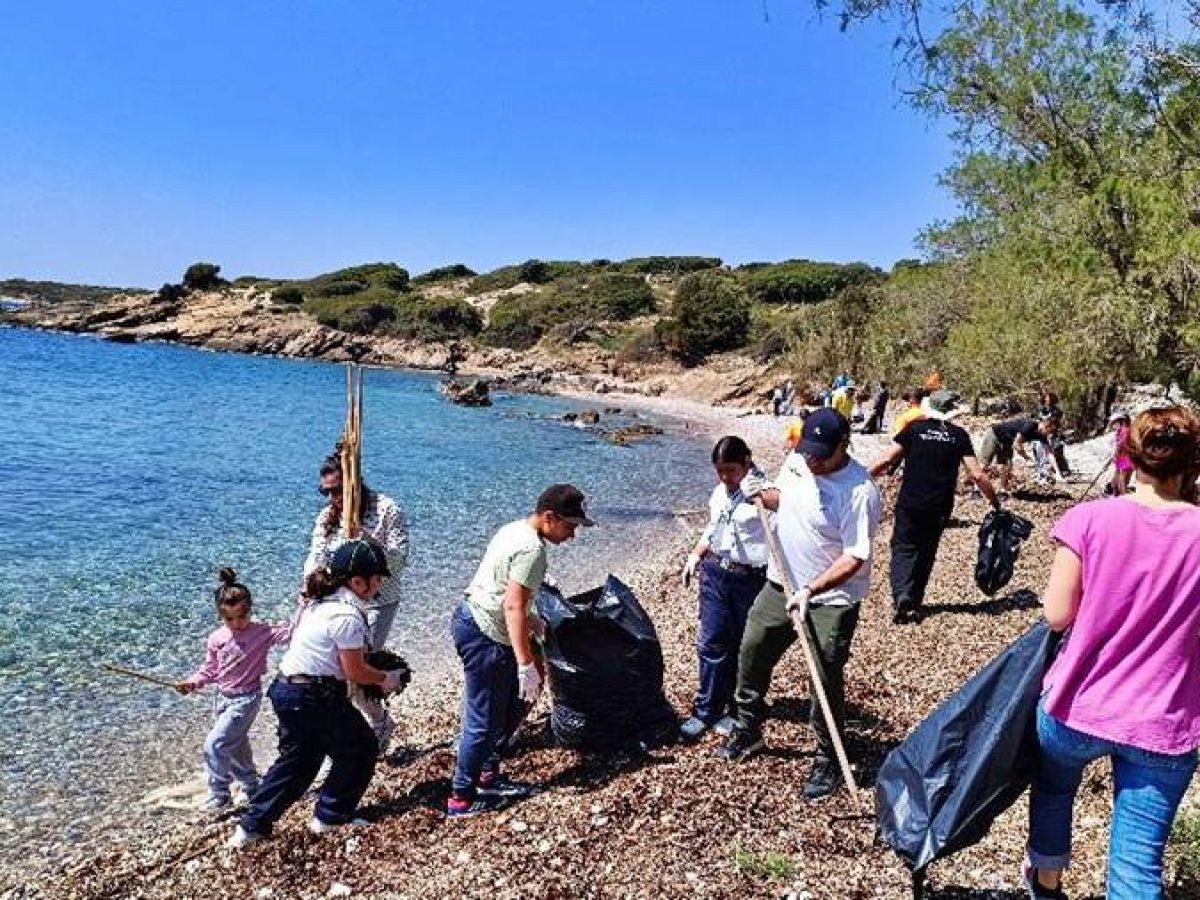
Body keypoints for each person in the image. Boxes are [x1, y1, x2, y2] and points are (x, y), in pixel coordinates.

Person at [1023, 406, 1200, 899]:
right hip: (1164, 720)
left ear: (1129, 457)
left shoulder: (1090, 518)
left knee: (1056, 790)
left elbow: (1057, 614)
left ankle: (1047, 879)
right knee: (1139, 862)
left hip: (1078, 705)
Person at [719, 409, 882, 801]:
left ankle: (828, 756)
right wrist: (761, 494)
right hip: (780, 583)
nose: (812, 460)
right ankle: (748, 727)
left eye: (821, 455)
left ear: (844, 445)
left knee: (823, 677)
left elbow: (854, 557)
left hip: (831, 599)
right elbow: (785, 501)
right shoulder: (797, 460)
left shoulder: (860, 491)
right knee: (752, 651)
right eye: (808, 451)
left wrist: (811, 589)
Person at [227, 540, 407, 849]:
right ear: (357, 581)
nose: (380, 584)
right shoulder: (347, 617)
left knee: (299, 762)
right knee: (361, 748)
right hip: (315, 694)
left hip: (285, 690)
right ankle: (331, 817)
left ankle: (251, 827)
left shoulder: (320, 605)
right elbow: (355, 672)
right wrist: (386, 678)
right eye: (376, 578)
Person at [448, 484, 593, 818]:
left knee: (501, 709)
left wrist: (536, 622)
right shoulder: (532, 551)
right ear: (548, 517)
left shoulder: (514, 529)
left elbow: (511, 595)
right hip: (485, 632)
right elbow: (512, 606)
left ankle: (487, 776)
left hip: (471, 618)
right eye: (569, 526)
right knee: (483, 720)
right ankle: (461, 798)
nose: (572, 536)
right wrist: (525, 663)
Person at [304, 449, 409, 753]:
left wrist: (364, 543)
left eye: (337, 490)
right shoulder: (327, 517)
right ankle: (348, 733)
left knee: (355, 673)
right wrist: (309, 586)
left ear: (353, 483)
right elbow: (316, 556)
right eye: (325, 491)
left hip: (378, 602)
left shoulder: (388, 509)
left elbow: (400, 560)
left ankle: (378, 725)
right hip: (338, 604)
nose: (332, 497)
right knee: (330, 669)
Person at [178, 568, 304, 814]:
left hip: (246, 699)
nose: (237, 623)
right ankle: (251, 786)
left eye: (242, 616)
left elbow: (291, 633)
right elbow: (210, 670)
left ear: (250, 609)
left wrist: (303, 605)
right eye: (230, 619)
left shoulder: (262, 632)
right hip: (222, 698)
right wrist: (192, 682)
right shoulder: (217, 638)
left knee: (214, 745)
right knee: (236, 745)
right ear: (220, 616)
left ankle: (219, 794)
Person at [868, 391, 1000, 624]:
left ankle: (902, 596)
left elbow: (888, 459)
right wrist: (994, 500)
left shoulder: (914, 429)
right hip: (939, 505)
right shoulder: (959, 435)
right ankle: (915, 600)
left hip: (911, 501)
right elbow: (977, 474)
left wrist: (860, 477)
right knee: (926, 551)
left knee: (903, 547)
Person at [679, 437, 769, 741]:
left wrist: (762, 497)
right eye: (719, 471)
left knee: (745, 647)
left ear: (747, 461)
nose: (725, 477)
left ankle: (737, 708)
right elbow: (714, 526)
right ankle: (707, 710)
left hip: (750, 579)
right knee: (712, 642)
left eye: (730, 470)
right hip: (716, 572)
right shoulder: (720, 491)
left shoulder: (764, 494)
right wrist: (696, 554)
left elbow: (788, 521)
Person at [977, 415, 1059, 493]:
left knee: (1005, 466)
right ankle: (976, 489)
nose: (1050, 434)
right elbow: (1016, 444)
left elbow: (1049, 453)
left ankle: (1002, 490)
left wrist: (1058, 473)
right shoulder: (1030, 425)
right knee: (984, 464)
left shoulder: (1041, 435)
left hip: (1007, 442)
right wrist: (1027, 458)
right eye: (1050, 431)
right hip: (995, 434)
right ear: (1046, 426)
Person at [1109, 410, 1133, 496]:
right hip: (1120, 460)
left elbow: (1121, 444)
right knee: (1115, 482)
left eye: (1115, 423)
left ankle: (1124, 500)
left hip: (1127, 460)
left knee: (1122, 483)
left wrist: (1116, 453)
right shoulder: (1118, 433)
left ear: (1122, 422)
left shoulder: (1126, 431)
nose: (1113, 425)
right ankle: (1115, 499)